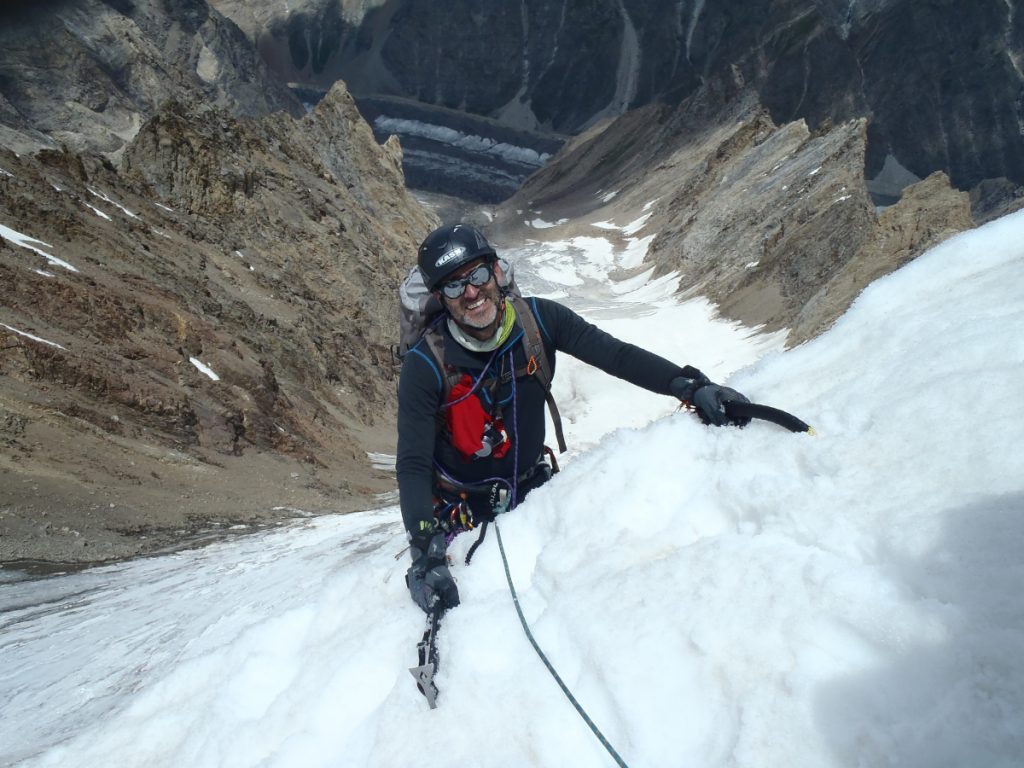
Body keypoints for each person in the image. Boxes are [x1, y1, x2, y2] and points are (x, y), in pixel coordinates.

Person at [398, 223, 750, 614]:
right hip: (460, 508)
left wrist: (689, 386)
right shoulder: (426, 363)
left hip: (534, 493)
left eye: (478, 275)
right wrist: (425, 548)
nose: (471, 293)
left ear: (496, 271)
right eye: (453, 286)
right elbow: (413, 462)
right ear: (439, 297)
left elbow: (615, 355)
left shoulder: (540, 321)